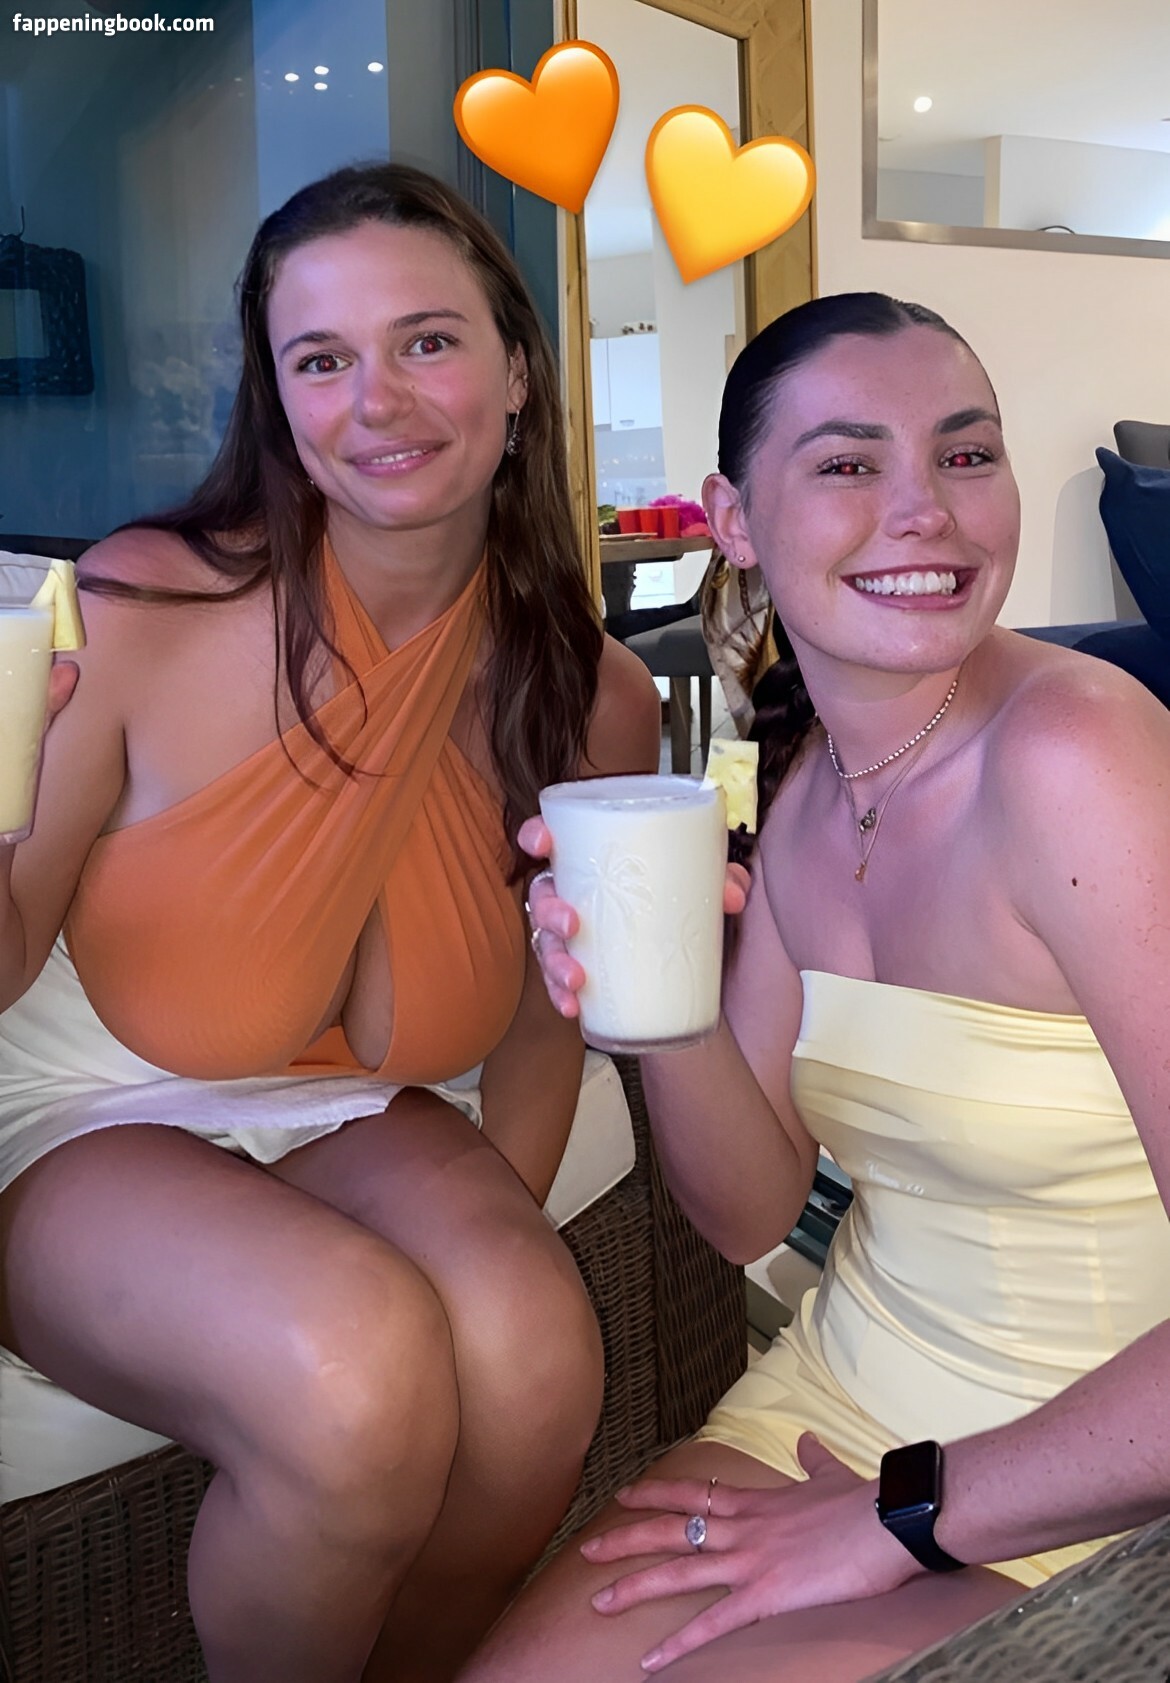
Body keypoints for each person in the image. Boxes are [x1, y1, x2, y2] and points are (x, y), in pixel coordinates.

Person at [0, 162, 661, 1683]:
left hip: (351, 1108)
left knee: (533, 1361)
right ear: (279, 402)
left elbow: (541, 1022)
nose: (378, 402)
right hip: (82, 1110)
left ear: (516, 368)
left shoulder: (592, 698)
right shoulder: (142, 611)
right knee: (355, 1370)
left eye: (426, 341)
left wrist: (482, 1244)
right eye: (321, 359)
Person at [466, 292, 1170, 1683]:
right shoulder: (799, 789)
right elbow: (748, 1213)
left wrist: (898, 1518)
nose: (927, 513)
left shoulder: (1075, 757)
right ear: (732, 519)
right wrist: (657, 1003)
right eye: (849, 462)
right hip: (846, 1398)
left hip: (1095, 1468)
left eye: (964, 455)